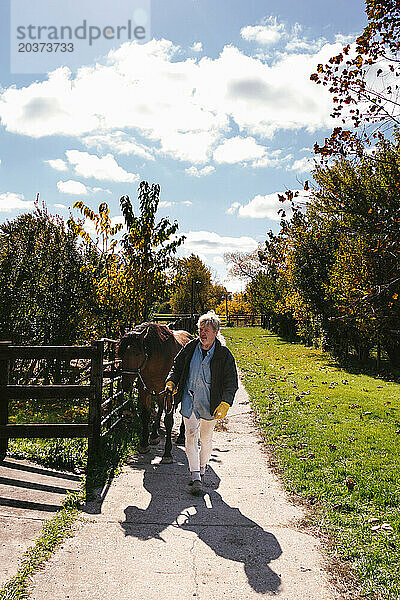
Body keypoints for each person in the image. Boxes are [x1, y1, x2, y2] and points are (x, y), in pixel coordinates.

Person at [165, 311, 238, 495]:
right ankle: (195, 476)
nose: (202, 333)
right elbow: (177, 365)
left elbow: (231, 381)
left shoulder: (223, 354)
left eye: (206, 330)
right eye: (200, 329)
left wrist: (225, 403)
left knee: (205, 439)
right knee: (190, 435)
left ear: (215, 332)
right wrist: (171, 381)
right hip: (190, 399)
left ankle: (203, 469)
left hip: (211, 403)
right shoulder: (190, 348)